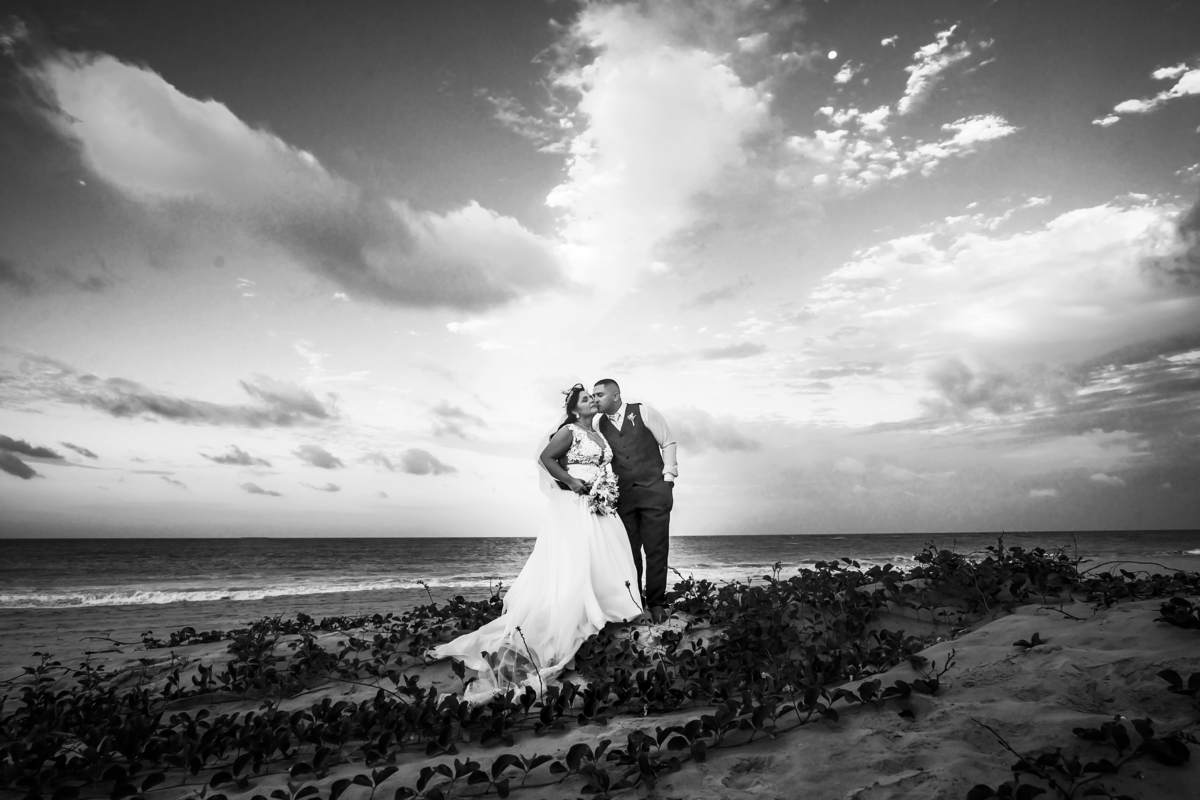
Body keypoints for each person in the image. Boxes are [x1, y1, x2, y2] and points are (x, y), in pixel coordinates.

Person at [426, 385, 642, 704]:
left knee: (605, 555)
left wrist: (606, 488)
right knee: (577, 559)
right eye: (586, 399)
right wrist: (571, 482)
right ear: (574, 409)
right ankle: (576, 615)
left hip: (600, 503)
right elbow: (545, 458)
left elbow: (604, 466)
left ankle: (611, 607)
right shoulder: (568, 431)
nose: (592, 401)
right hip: (575, 503)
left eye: (594, 397)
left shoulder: (596, 432)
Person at [591, 379, 677, 624]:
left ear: (615, 395)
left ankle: (657, 603)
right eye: (593, 395)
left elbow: (668, 442)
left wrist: (668, 477)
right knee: (629, 553)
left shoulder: (644, 412)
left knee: (656, 550)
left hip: (654, 493)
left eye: (599, 394)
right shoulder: (598, 424)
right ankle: (634, 601)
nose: (595, 399)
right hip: (624, 498)